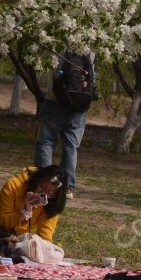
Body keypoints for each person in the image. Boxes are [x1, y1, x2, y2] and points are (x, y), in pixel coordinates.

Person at [35, 52, 96, 199]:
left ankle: (44, 183)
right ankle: (67, 187)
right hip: (78, 104)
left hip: (53, 101)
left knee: (46, 143)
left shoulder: (60, 42)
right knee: (71, 147)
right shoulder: (91, 49)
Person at [0, 165, 67, 243]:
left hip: (12, 236)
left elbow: (45, 236)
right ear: (37, 180)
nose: (43, 194)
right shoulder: (14, 185)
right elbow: (2, 221)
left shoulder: (52, 203)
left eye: (51, 192)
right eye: (42, 186)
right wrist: (24, 212)